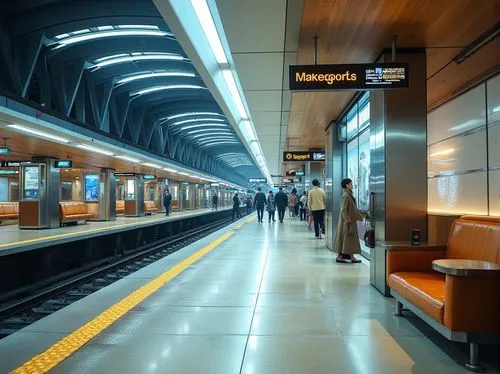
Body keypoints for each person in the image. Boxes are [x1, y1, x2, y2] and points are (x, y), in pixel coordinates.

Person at [333, 178, 364, 263]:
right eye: (351, 184)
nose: (352, 185)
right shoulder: (346, 196)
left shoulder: (348, 194)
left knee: (347, 239)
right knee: (346, 238)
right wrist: (347, 220)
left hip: (348, 220)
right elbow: (343, 209)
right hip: (347, 222)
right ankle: (342, 257)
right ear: (347, 185)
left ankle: (351, 257)